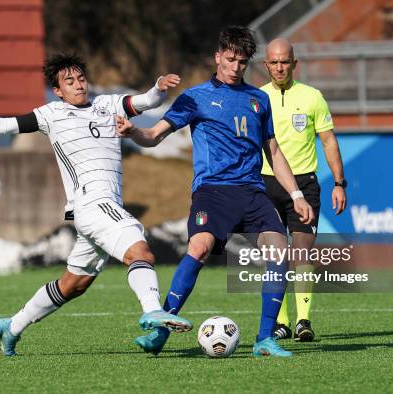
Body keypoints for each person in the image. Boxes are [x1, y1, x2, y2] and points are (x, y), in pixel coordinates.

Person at [0, 54, 193, 356]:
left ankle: (12, 326)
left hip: (101, 209)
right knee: (139, 247)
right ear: (58, 90)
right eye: (70, 81)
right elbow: (5, 124)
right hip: (92, 204)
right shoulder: (51, 114)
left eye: (81, 78)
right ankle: (152, 311)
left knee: (74, 285)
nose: (78, 85)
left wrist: (159, 87)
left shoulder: (106, 105)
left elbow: (145, 102)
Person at [116, 26, 314, 358]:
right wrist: (133, 131)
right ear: (218, 56)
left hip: (252, 192)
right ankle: (161, 331)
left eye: (242, 61)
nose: (236, 67)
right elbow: (154, 136)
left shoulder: (259, 99)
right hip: (212, 191)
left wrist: (296, 195)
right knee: (201, 245)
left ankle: (265, 339)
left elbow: (274, 153)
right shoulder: (195, 97)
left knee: (279, 251)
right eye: (231, 59)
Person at [260, 38, 347, 341]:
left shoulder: (313, 97)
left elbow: (329, 141)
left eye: (285, 61)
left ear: (295, 64)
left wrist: (338, 183)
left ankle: (303, 321)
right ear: (265, 65)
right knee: (274, 255)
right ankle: (281, 322)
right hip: (265, 183)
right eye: (274, 62)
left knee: (302, 252)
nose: (280, 67)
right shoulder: (255, 99)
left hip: (305, 184)